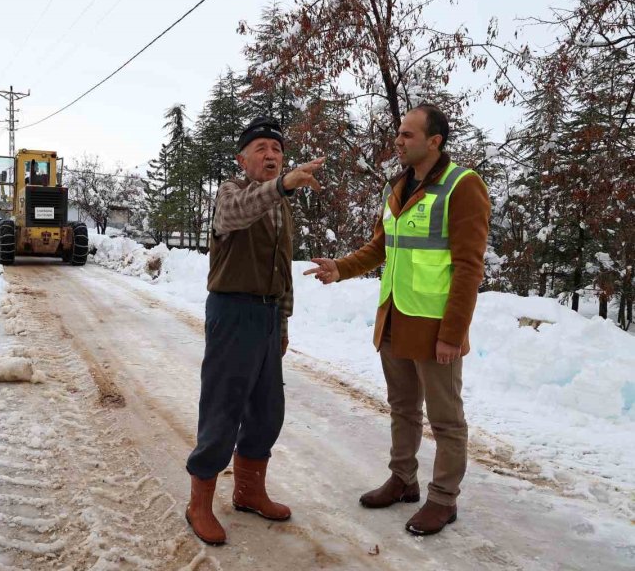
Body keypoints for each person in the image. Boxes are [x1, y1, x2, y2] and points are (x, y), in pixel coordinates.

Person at [304, 104, 490, 536]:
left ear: (434, 141)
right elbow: (380, 247)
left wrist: (453, 334)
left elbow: (469, 267)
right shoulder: (397, 186)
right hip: (393, 317)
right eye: (399, 133)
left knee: (446, 419)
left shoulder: (462, 185)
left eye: (408, 134)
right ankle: (403, 479)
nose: (398, 140)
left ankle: (443, 499)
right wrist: (341, 267)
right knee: (403, 408)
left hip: (434, 325)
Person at [185, 116, 325, 546]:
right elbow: (236, 214)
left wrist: (282, 323)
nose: (271, 155)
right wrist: (282, 185)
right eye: (261, 148)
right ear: (241, 159)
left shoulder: (281, 206)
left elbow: (282, 269)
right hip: (232, 313)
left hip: (267, 316)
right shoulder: (231, 193)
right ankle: (198, 504)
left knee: (267, 411)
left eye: (277, 149)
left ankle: (248, 492)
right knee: (222, 409)